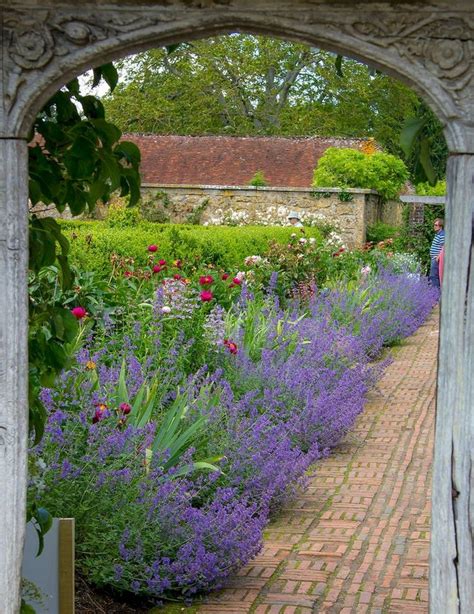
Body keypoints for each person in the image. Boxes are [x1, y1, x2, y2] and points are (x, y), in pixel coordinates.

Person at [429, 218, 445, 289]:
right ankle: (435, 294)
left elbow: (444, 247)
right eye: (434, 225)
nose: (434, 226)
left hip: (436, 259)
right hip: (433, 258)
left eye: (436, 225)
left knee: (433, 276)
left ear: (440, 226)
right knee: (434, 276)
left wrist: (438, 257)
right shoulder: (438, 234)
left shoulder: (442, 235)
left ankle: (435, 295)